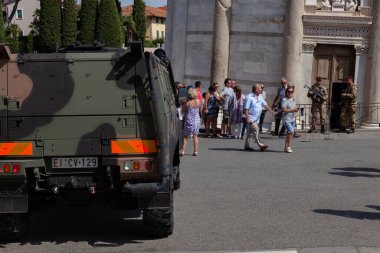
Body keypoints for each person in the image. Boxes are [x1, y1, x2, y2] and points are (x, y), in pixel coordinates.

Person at [244, 83, 273, 152]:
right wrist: (247, 117)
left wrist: (270, 111)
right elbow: (246, 109)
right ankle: (260, 145)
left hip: (257, 119)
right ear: (256, 89)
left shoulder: (260, 97)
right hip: (251, 118)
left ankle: (247, 145)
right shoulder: (249, 97)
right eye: (260, 88)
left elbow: (265, 104)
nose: (262, 89)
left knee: (250, 133)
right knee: (256, 130)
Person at [181, 88, 201, 156]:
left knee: (186, 136)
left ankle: (183, 151)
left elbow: (183, 111)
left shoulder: (187, 103)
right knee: (195, 136)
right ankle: (195, 151)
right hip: (196, 119)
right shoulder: (198, 102)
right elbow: (200, 110)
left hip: (189, 119)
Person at [281, 86, 299, 153]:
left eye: (292, 92)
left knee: (290, 133)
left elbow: (294, 109)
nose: (290, 93)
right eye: (289, 92)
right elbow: (283, 109)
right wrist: (293, 110)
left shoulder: (294, 99)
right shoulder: (284, 100)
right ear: (286, 92)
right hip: (286, 119)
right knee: (291, 132)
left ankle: (286, 147)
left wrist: (296, 109)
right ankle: (288, 146)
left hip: (292, 118)